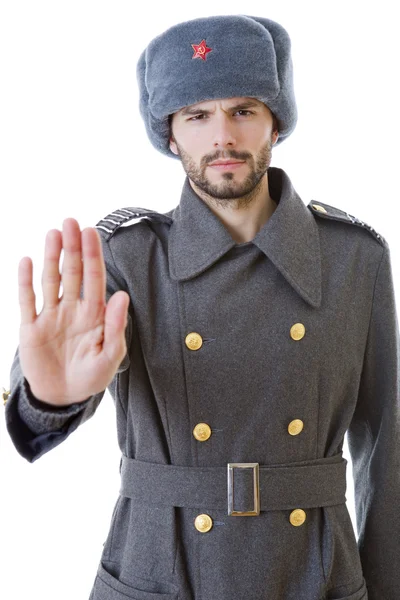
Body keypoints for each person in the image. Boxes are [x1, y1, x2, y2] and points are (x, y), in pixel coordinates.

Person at [4, 14, 400, 600]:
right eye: (197, 115)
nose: (223, 137)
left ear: (276, 123)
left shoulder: (354, 258)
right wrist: (51, 397)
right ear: (170, 134)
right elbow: (45, 399)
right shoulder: (125, 256)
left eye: (243, 110)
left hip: (312, 576)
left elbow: (387, 455)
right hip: (158, 575)